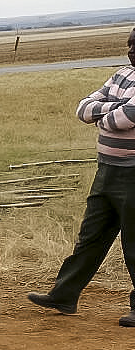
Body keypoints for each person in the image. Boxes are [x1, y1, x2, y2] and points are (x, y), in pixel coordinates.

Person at [28, 26, 135, 328]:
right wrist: (113, 111)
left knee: (134, 242)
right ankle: (64, 294)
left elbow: (122, 119)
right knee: (91, 236)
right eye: (130, 45)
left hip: (133, 174)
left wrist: (106, 114)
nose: (132, 51)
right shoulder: (122, 74)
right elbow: (83, 108)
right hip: (108, 169)